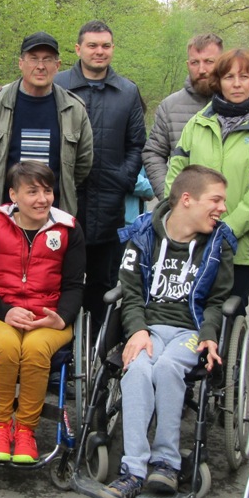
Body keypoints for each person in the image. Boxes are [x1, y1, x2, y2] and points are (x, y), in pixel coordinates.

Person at [95, 166, 236, 498]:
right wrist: (137, 330)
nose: (222, 208)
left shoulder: (219, 244)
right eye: (215, 200)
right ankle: (133, 471)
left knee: (169, 367)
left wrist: (210, 334)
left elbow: (217, 301)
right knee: (137, 368)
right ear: (187, 199)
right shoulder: (143, 234)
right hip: (149, 328)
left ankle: (166, 463)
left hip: (191, 331)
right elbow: (129, 291)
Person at [0, 162, 85, 464]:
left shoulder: (69, 228)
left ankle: (26, 430)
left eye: (47, 191)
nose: (42, 199)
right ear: (13, 195)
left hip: (49, 316)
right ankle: (0, 428)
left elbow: (74, 286)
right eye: (32, 192)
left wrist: (61, 317)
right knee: (6, 346)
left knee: (34, 348)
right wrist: (4, 311)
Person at [166, 48, 249, 313]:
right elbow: (177, 173)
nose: (236, 84)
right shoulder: (197, 124)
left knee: (226, 316)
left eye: (244, 77)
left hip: (237, 249)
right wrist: (182, 217)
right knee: (184, 313)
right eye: (229, 77)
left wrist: (228, 228)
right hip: (192, 241)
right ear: (218, 81)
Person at [54, 20, 147, 322]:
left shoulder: (127, 92)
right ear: (78, 49)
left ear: (112, 49)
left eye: (105, 46)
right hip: (64, 201)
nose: (99, 51)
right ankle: (61, 343)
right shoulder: (58, 85)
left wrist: (124, 179)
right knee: (60, 279)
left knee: (103, 284)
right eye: (92, 45)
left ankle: (95, 344)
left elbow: (137, 144)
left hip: (109, 204)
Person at [0, 31, 93, 216]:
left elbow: (82, 164)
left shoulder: (74, 109)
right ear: (21, 63)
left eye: (47, 59)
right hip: (4, 213)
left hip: (54, 214)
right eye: (33, 59)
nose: (40, 66)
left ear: (57, 65)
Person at [142, 32, 224, 199]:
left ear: (223, 62)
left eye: (209, 61)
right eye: (195, 62)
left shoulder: (239, 106)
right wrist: (170, 198)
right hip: (185, 207)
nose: (202, 70)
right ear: (188, 64)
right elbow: (153, 154)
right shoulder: (169, 107)